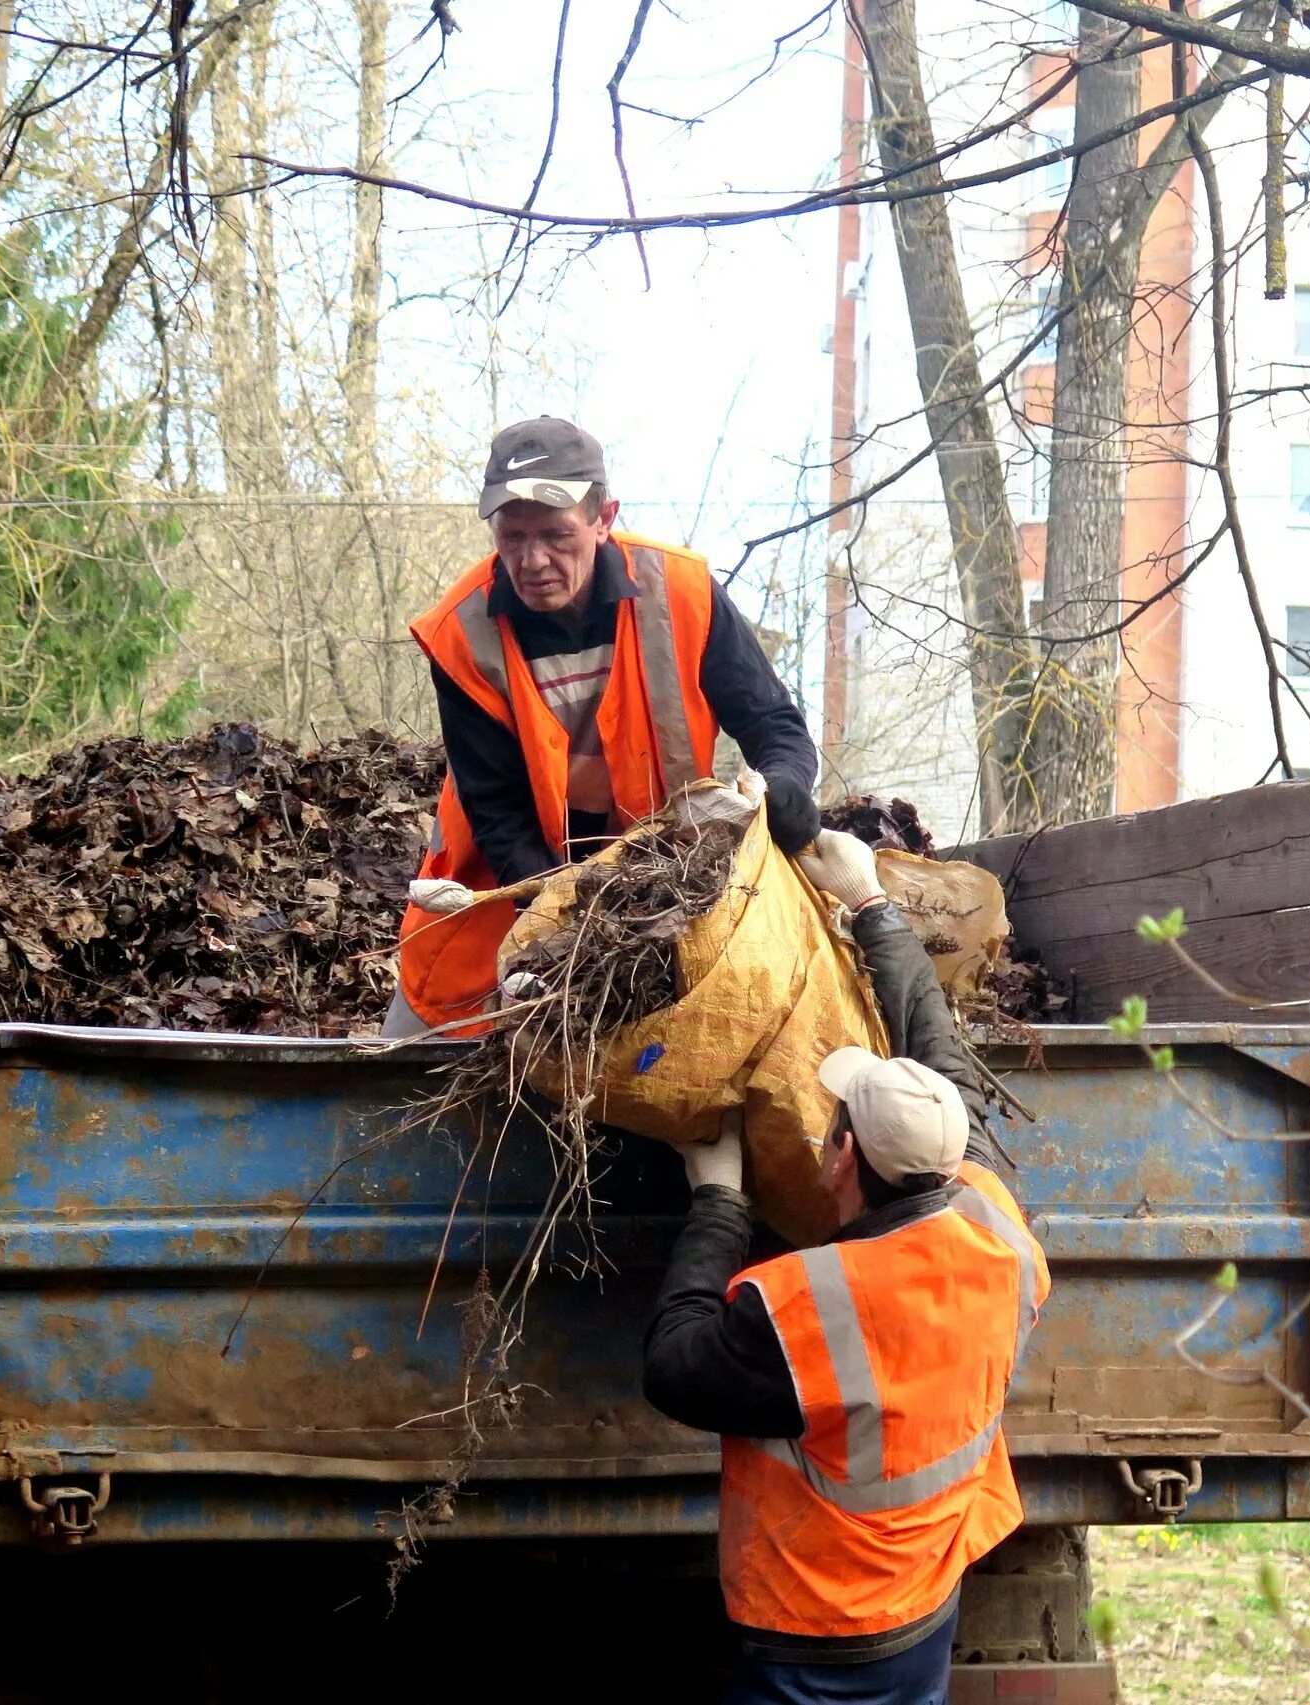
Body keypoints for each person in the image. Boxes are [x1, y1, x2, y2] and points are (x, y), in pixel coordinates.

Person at [642, 829, 1048, 1705]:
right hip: (926, 1600)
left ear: (839, 1158)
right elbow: (945, 1075)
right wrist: (872, 907)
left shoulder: (807, 1306)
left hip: (813, 1627)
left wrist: (717, 1201)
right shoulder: (996, 1227)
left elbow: (675, 1368)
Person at [387, 417, 822, 1036]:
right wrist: (562, 921)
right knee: (423, 1051)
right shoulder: (461, 629)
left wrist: (786, 789)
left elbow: (774, 725)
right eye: (512, 537)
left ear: (603, 518)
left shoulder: (683, 591)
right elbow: (496, 808)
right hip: (498, 881)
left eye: (556, 535)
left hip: (665, 876)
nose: (533, 560)